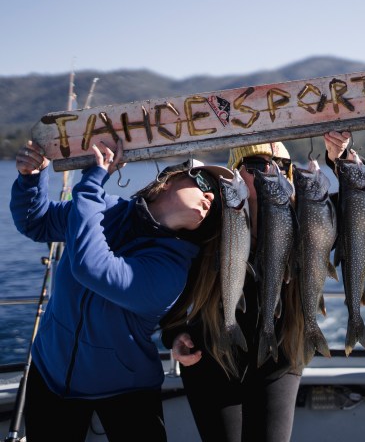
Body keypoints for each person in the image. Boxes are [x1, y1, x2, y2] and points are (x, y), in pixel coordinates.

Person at [10, 139, 232, 441]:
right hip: (50, 374)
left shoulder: (172, 270)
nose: (210, 195)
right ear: (168, 181)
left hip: (128, 390)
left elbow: (92, 268)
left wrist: (92, 181)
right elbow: (36, 222)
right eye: (204, 181)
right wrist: (32, 177)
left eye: (217, 198)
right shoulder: (108, 208)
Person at [161, 141, 305, 442]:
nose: (269, 172)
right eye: (256, 165)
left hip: (278, 359)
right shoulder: (205, 221)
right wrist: (173, 334)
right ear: (234, 175)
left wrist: (341, 156)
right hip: (211, 358)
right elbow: (174, 284)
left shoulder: (305, 219)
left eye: (280, 166)